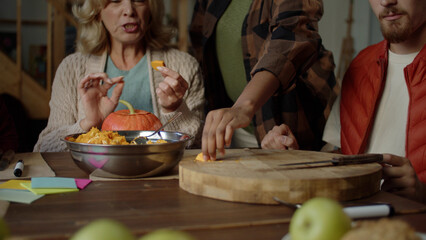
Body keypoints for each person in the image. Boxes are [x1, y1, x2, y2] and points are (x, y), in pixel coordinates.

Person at [263, 0, 426, 203]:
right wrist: (294, 156)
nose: (386, 1)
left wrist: (422, 195)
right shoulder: (361, 65)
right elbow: (339, 157)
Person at [34, 0, 204, 152]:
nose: (129, 10)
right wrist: (88, 123)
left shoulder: (184, 66)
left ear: (151, 9)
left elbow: (200, 147)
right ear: (98, 11)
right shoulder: (71, 69)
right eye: (115, 1)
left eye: (139, 0)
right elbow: (44, 148)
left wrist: (174, 110)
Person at [190, 0, 339, 161]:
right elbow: (200, 43)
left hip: (293, 121)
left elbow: (291, 38)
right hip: (235, 132)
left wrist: (243, 107)